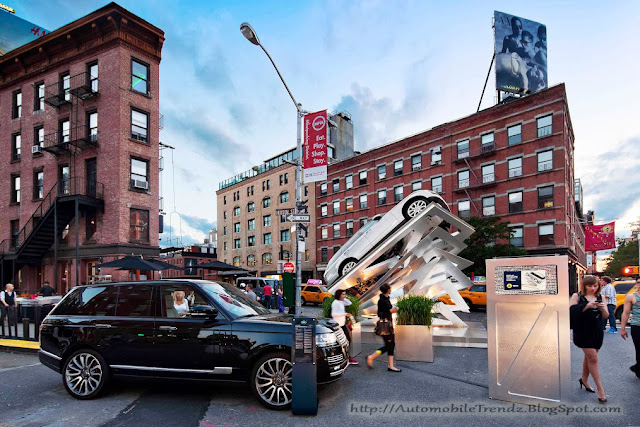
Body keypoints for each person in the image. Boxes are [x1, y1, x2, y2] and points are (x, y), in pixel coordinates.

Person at [570, 275, 608, 403]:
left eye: (595, 286)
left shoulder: (600, 297)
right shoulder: (577, 296)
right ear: (584, 285)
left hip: (596, 331)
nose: (592, 288)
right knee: (593, 357)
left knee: (589, 357)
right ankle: (600, 389)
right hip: (582, 331)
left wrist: (602, 308)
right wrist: (586, 306)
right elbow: (571, 312)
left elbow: (606, 315)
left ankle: (584, 379)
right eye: (589, 285)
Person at [366, 284, 401, 372]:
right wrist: (390, 311)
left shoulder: (386, 299)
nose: (391, 289)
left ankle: (390, 365)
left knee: (391, 344)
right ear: (388, 290)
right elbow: (380, 314)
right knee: (389, 345)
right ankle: (372, 357)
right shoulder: (382, 300)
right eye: (390, 288)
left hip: (389, 324)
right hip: (385, 325)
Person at [331, 289, 359, 365]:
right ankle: (346, 358)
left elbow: (349, 303)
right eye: (343, 294)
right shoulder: (335, 303)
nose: (344, 296)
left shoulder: (341, 302)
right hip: (338, 326)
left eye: (344, 294)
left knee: (347, 340)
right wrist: (344, 314)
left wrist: (344, 298)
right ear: (339, 295)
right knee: (343, 342)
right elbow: (334, 314)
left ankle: (347, 357)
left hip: (342, 325)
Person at [620, 277, 640, 378]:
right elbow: (626, 313)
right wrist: (622, 328)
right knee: (639, 349)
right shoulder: (631, 296)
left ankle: (637, 367)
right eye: (638, 283)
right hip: (637, 327)